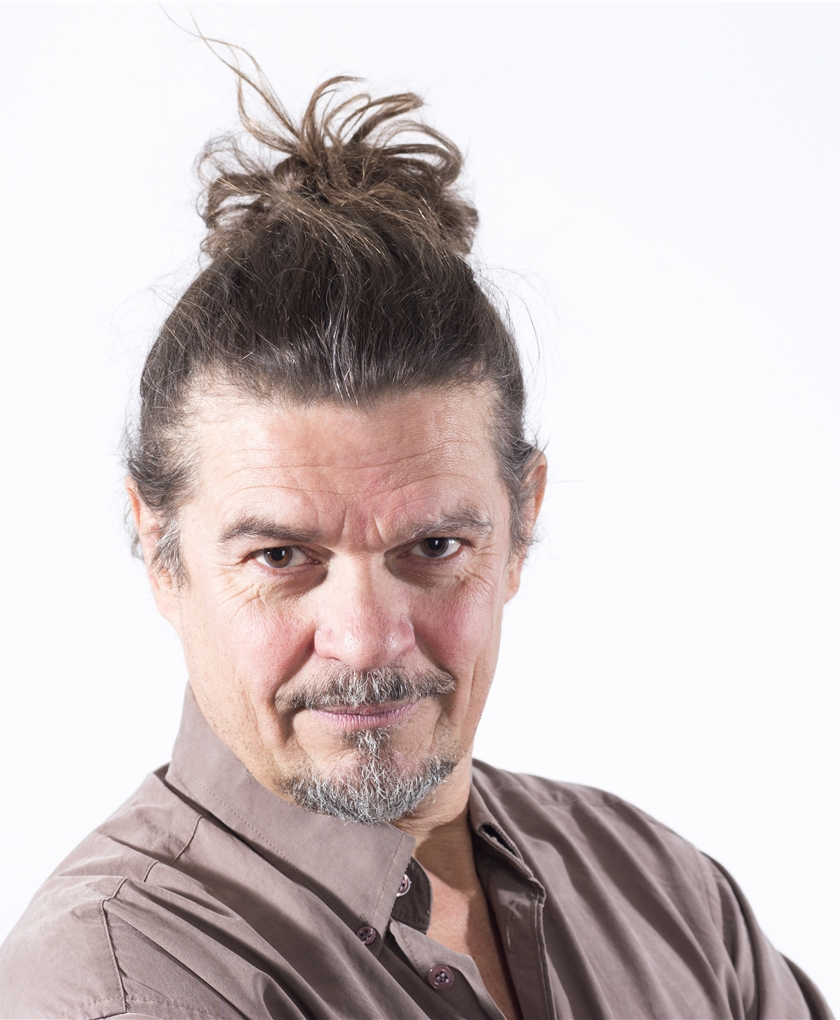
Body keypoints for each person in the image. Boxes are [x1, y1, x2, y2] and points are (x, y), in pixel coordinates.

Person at [0, 62, 831, 1020]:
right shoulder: (121, 987)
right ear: (161, 550)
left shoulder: (664, 893)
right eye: (281, 557)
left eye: (432, 548)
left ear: (521, 523)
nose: (366, 640)